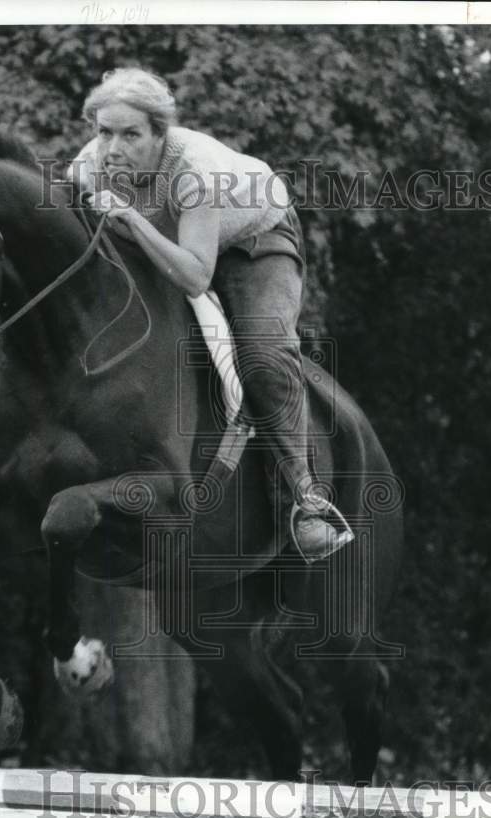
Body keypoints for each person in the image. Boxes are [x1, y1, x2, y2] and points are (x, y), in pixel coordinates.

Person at [67, 67, 353, 562]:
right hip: (172, 242)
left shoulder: (195, 172)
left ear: (160, 135)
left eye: (130, 135)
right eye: (104, 132)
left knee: (261, 351)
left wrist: (133, 219)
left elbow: (197, 276)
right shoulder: (86, 168)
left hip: (254, 241)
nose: (112, 149)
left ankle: (306, 501)